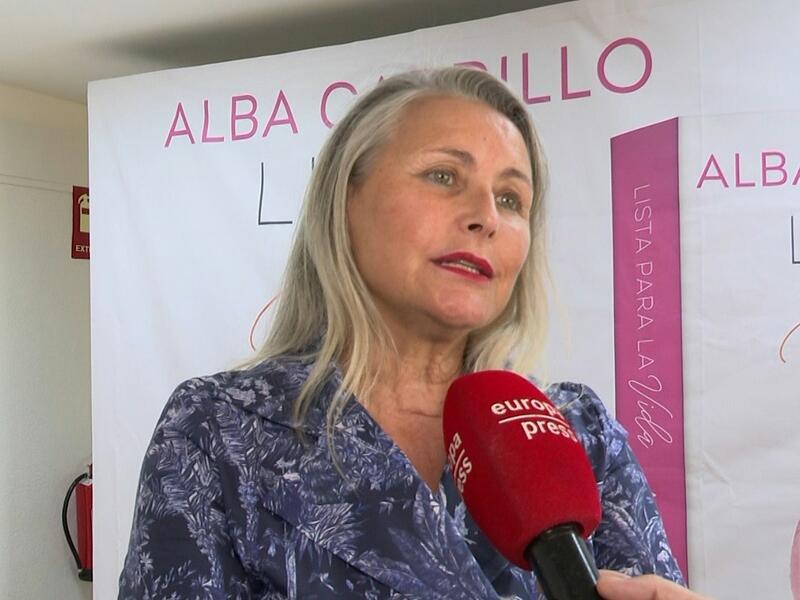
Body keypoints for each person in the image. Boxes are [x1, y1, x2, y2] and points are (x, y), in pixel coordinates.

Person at [118, 67, 701, 600]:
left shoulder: (578, 431)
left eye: (510, 199)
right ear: (346, 201)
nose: (486, 217)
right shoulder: (220, 430)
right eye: (444, 176)